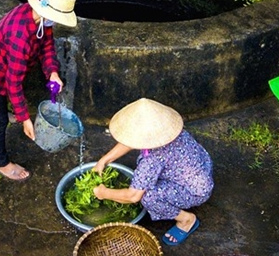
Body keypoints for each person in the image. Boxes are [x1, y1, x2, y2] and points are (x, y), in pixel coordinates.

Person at [0, 0, 77, 181]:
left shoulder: (41, 20)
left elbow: (46, 47)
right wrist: (25, 119)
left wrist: (52, 72)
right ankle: (2, 164)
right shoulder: (21, 35)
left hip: (1, 68)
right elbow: (13, 83)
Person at [91, 97, 213, 245]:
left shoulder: (152, 161)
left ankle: (186, 220)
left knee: (148, 197)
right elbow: (132, 140)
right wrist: (104, 160)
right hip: (201, 168)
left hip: (195, 190)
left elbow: (133, 196)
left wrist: (103, 193)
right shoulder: (168, 131)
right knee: (147, 181)